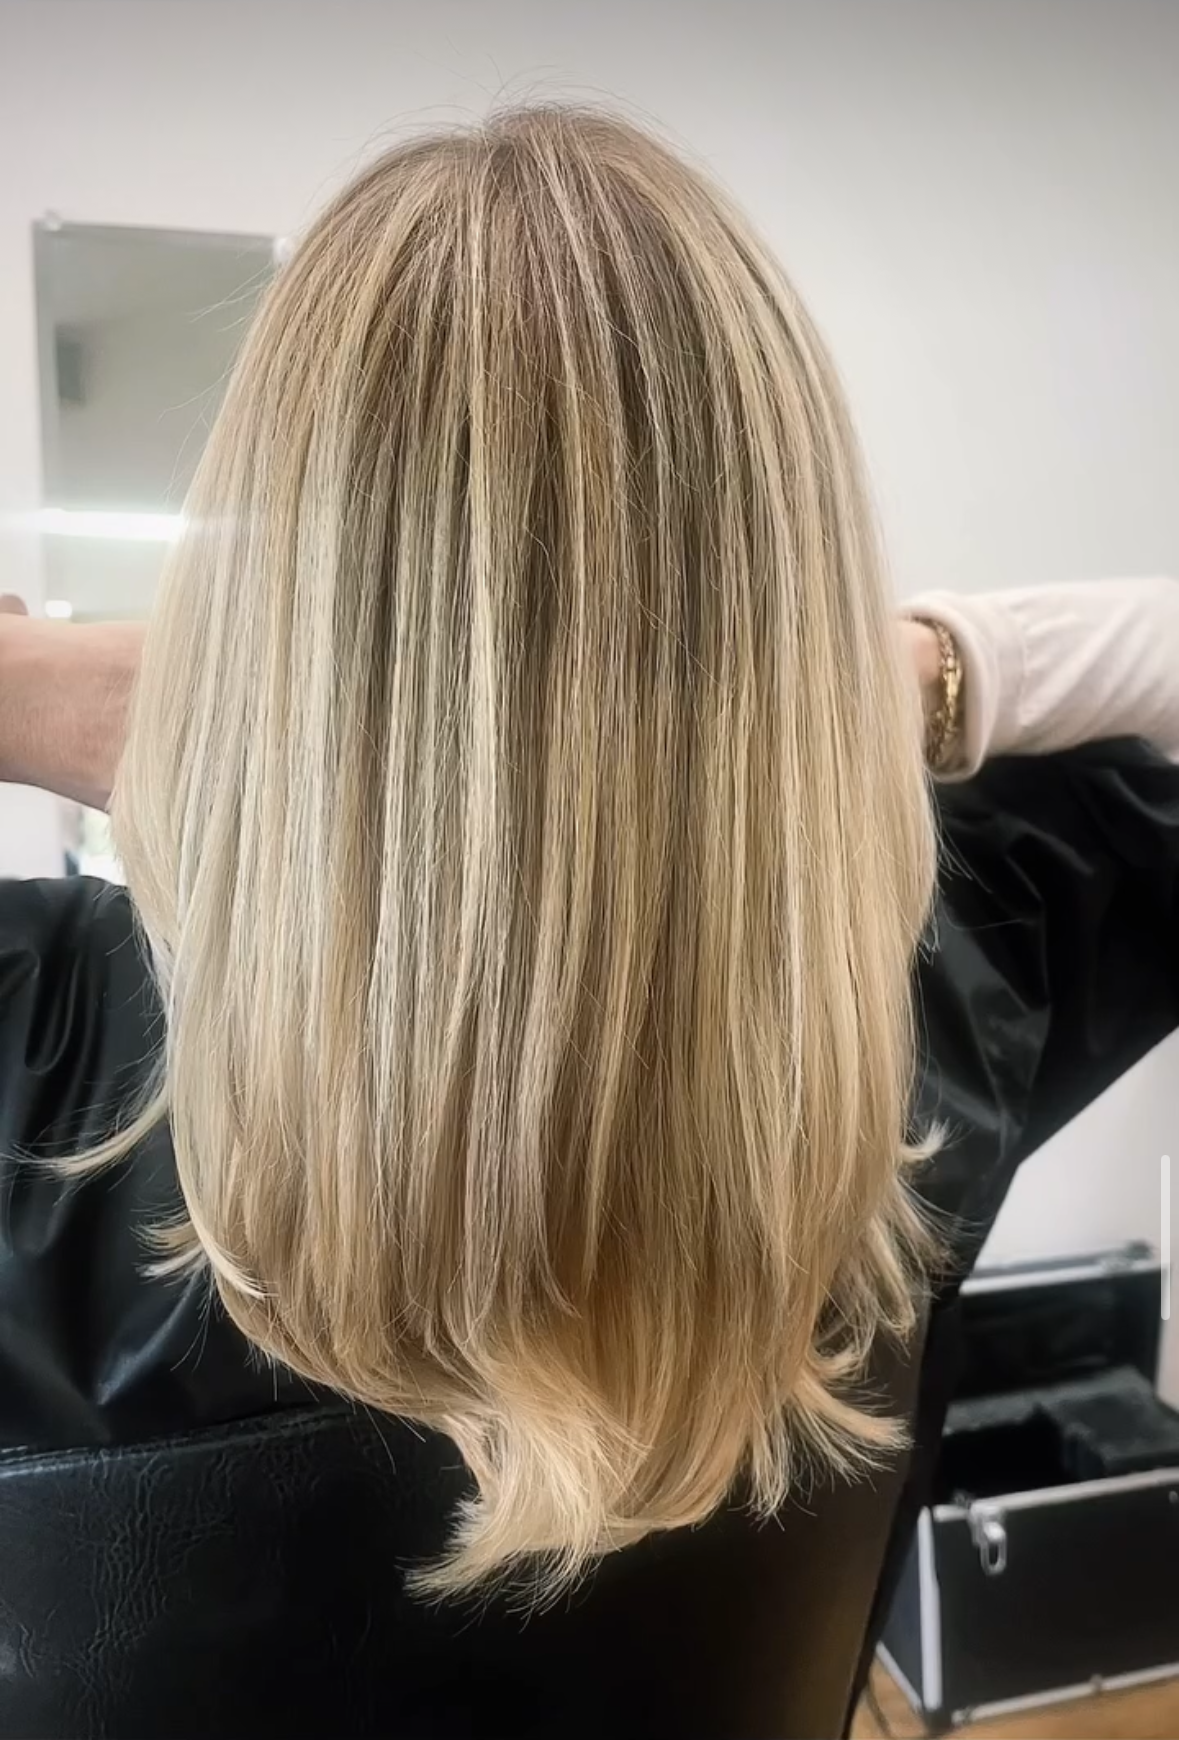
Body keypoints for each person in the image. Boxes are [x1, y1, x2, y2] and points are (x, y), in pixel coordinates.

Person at [0, 106, 1177, 1733]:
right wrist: (912, 673)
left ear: (269, 607)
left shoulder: (42, 1061)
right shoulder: (932, 992)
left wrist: (42, 680)